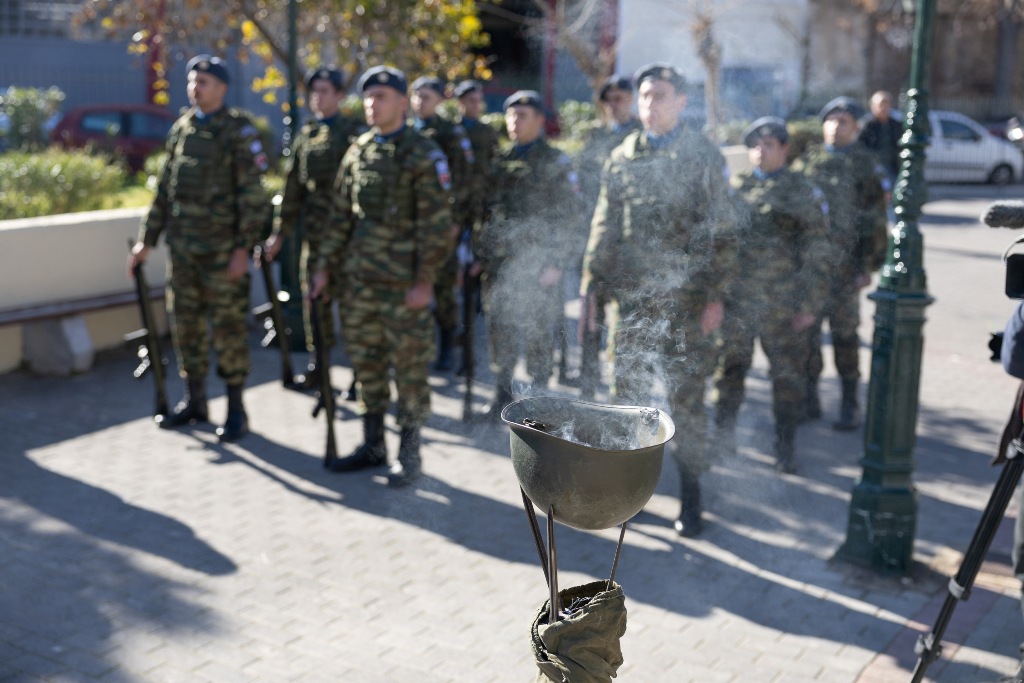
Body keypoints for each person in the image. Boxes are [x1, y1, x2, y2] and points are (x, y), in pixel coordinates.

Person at [581, 63, 736, 537]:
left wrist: (716, 298)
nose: (650, 104)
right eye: (645, 95)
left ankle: (691, 497)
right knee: (626, 400)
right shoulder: (622, 156)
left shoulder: (701, 155)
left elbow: (723, 231)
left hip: (686, 305)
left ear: (681, 102)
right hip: (632, 304)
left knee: (686, 401)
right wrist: (591, 285)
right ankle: (629, 496)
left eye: (661, 96)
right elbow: (605, 225)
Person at [311, 65, 452, 487]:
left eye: (381, 97)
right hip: (360, 284)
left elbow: (437, 226)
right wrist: (324, 268)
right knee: (366, 364)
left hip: (404, 288)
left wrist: (424, 282)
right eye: (368, 96)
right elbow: (340, 216)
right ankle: (372, 445)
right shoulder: (358, 150)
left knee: (409, 371)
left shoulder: (423, 153)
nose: (372, 104)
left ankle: (410, 455)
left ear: (402, 103)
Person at [128, 54, 269, 442]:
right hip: (184, 253)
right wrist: (145, 241)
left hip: (223, 255)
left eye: (203, 82)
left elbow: (253, 198)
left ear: (222, 88)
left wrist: (242, 250)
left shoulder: (237, 132)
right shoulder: (182, 129)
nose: (195, 88)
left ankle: (236, 409)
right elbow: (164, 190)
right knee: (185, 327)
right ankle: (195, 401)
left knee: (228, 330)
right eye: (192, 81)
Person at [713, 117, 830, 473]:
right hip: (738, 302)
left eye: (767, 145)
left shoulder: (802, 191)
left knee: (786, 377)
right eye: (754, 145)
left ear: (784, 149)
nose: (759, 151)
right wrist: (715, 296)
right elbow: (720, 246)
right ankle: (723, 440)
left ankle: (785, 446)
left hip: (783, 304)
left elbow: (818, 252)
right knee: (729, 371)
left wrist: (809, 305)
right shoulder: (737, 187)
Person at [475, 90, 584, 419]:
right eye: (510, 115)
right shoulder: (500, 160)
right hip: (501, 265)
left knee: (538, 332)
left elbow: (571, 217)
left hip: (539, 266)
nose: (514, 121)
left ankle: (538, 399)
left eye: (522, 115)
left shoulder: (555, 162)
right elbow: (488, 213)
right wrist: (479, 256)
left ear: (539, 120)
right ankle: (502, 393)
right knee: (501, 329)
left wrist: (556, 263)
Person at [265, 66, 366, 389]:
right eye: (314, 92)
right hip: (315, 236)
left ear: (339, 95)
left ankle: (360, 376)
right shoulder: (306, 135)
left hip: (349, 239)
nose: (317, 98)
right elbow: (292, 187)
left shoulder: (354, 134)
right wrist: (279, 233)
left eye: (324, 91)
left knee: (352, 308)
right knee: (314, 303)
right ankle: (318, 367)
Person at [793, 97, 889, 432]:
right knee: (807, 337)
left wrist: (869, 266)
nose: (835, 126)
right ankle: (809, 400)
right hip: (810, 270)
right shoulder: (808, 162)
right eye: (831, 120)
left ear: (856, 127)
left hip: (846, 270)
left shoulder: (865, 164)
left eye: (843, 120)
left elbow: (876, 220)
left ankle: (850, 403)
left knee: (845, 337)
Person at [574, 75, 643, 401]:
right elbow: (582, 186)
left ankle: (622, 395)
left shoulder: (640, 137)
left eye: (620, 98)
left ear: (631, 100)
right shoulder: (595, 136)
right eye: (609, 100)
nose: (614, 105)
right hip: (596, 236)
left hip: (628, 247)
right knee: (590, 314)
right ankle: (588, 386)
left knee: (624, 325)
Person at [410, 76, 474, 372]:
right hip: (412, 224)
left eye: (426, 97)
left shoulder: (449, 133)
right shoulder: (407, 131)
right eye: (416, 96)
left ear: (438, 101)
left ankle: (447, 344)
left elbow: (463, 180)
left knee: (444, 288)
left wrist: (456, 221)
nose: (419, 102)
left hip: (442, 224)